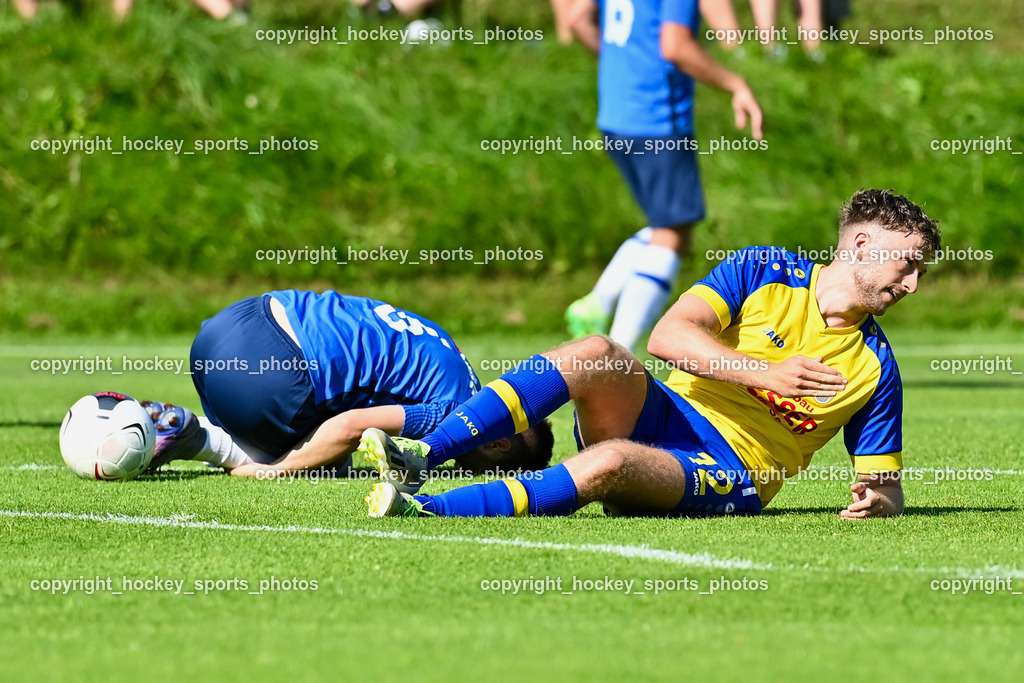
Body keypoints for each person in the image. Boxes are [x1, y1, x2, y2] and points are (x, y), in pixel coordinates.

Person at [361, 189, 939, 520]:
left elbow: (885, 482)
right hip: (664, 411)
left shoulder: (876, 366)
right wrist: (767, 373)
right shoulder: (763, 270)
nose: (912, 283)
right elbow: (667, 338)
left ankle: (429, 510)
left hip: (731, 471)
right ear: (862, 245)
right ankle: (422, 454)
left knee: (611, 462)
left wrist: (880, 499)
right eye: (907, 263)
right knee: (595, 351)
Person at [148, 290, 553, 483]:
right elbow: (350, 427)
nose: (457, 467)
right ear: (497, 443)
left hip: (232, 322)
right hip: (268, 375)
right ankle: (202, 439)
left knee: (323, 434)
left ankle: (182, 427)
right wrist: (277, 471)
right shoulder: (458, 409)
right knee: (324, 464)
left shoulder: (455, 359)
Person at [563, 0, 763, 353]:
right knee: (672, 233)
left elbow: (577, 18)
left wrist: (620, 64)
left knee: (671, 228)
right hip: (655, 122)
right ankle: (617, 353)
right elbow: (676, 46)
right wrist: (735, 83)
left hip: (616, 116)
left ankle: (597, 303)